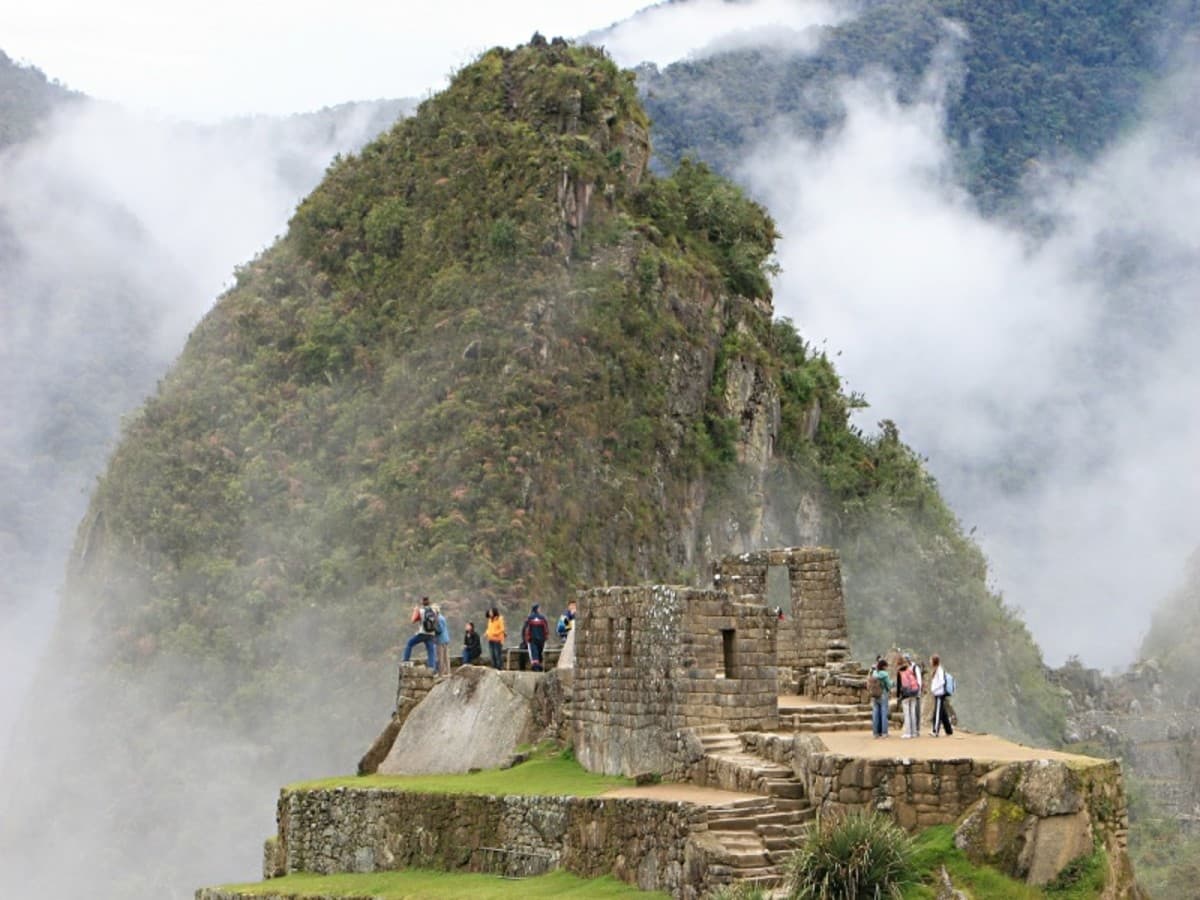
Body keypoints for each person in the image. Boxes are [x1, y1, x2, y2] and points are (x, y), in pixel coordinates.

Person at [402, 596, 438, 670]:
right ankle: (432, 668)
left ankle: (405, 660)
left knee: (409, 643)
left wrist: (415, 610)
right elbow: (436, 621)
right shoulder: (434, 611)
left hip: (422, 633)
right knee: (431, 651)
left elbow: (413, 620)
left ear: (422, 602)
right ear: (429, 602)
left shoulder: (421, 611)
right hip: (431, 634)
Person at [930, 654, 954, 736]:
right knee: (942, 712)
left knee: (937, 713)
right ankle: (949, 730)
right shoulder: (936, 670)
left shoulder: (939, 670)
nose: (930, 662)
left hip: (939, 694)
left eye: (931, 660)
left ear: (934, 661)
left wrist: (934, 689)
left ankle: (935, 731)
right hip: (937, 693)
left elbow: (942, 682)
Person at [523, 603, 550, 672]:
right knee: (539, 652)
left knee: (534, 653)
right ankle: (539, 665)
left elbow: (526, 629)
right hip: (541, 639)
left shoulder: (529, 618)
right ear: (537, 609)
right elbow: (546, 629)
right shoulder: (542, 618)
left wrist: (526, 639)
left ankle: (536, 667)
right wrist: (546, 637)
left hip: (532, 639)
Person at [897, 660, 920, 738]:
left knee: (907, 714)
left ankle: (908, 733)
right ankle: (914, 732)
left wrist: (898, 696)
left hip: (906, 695)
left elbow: (899, 685)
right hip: (914, 693)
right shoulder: (910, 670)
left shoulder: (900, 672)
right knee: (912, 713)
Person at [870, 659, 892, 738]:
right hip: (883, 694)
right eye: (886, 666)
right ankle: (884, 732)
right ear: (883, 666)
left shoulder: (874, 673)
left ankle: (875, 733)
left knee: (875, 713)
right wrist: (893, 683)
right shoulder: (885, 674)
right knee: (883, 713)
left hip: (875, 695)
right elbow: (889, 684)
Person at [905, 653, 924, 734]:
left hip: (915, 692)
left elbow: (919, 680)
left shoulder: (915, 668)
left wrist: (918, 692)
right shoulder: (904, 668)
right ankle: (911, 729)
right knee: (909, 711)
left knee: (916, 711)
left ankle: (917, 729)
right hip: (907, 692)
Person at [435, 610, 451, 675]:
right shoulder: (442, 617)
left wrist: (434, 628)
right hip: (445, 639)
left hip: (440, 640)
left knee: (441, 657)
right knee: (446, 657)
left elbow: (440, 630)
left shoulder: (438, 619)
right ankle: (448, 671)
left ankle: (441, 672)